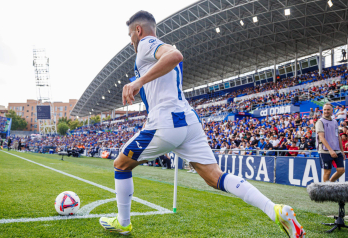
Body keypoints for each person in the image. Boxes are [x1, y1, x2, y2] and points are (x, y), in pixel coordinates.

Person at [99, 10, 304, 237]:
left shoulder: (147, 43)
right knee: (215, 177)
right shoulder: (155, 52)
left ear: (138, 30)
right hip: (188, 122)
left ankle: (124, 222)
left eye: (130, 35)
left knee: (121, 164)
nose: (131, 42)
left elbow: (176, 55)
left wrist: (138, 81)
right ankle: (274, 209)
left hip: (166, 123)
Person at [316, 103, 346, 182]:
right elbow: (321, 137)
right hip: (325, 151)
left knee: (341, 170)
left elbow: (338, 136)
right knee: (327, 172)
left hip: (336, 150)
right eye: (325, 110)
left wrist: (342, 151)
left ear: (332, 111)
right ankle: (325, 192)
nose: (326, 111)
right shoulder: (320, 122)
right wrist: (330, 150)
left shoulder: (335, 122)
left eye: (328, 109)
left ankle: (330, 184)